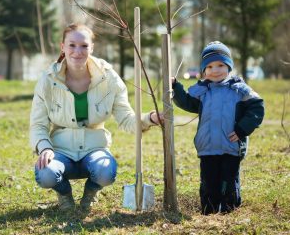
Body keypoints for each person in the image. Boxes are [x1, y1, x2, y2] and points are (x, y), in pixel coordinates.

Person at [30, 23, 159, 211]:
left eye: (84, 46)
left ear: (92, 48)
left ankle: (91, 191)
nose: (77, 51)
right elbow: (38, 124)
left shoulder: (108, 78)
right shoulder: (48, 80)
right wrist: (44, 148)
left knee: (106, 172)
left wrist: (150, 118)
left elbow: (127, 119)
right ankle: (64, 194)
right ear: (62, 47)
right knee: (45, 173)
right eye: (72, 45)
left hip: (94, 149)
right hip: (60, 151)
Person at [171, 41, 264, 215]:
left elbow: (257, 108)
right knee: (209, 182)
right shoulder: (203, 91)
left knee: (228, 182)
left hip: (231, 146)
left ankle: (230, 211)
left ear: (229, 66)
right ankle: (209, 212)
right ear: (204, 70)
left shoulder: (239, 89)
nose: (215, 70)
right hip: (208, 148)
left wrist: (241, 130)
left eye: (221, 65)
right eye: (210, 66)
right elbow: (186, 102)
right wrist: (175, 86)